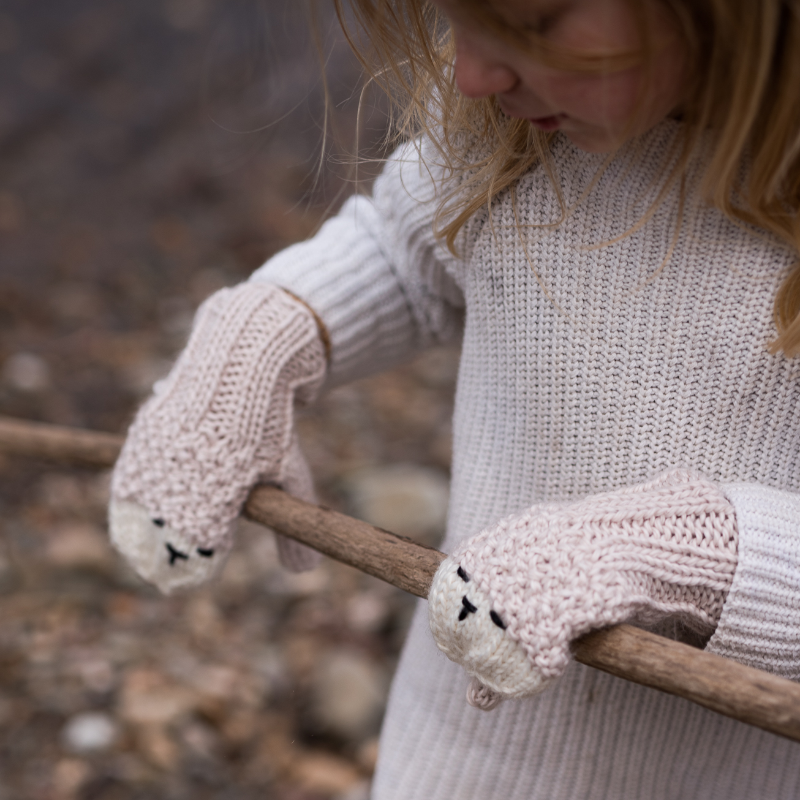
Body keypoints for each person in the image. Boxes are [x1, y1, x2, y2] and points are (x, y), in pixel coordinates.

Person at [108, 0, 800, 797]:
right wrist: (259, 342)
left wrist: (689, 558)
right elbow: (401, 254)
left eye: (533, 23)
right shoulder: (515, 127)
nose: (471, 74)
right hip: (449, 765)